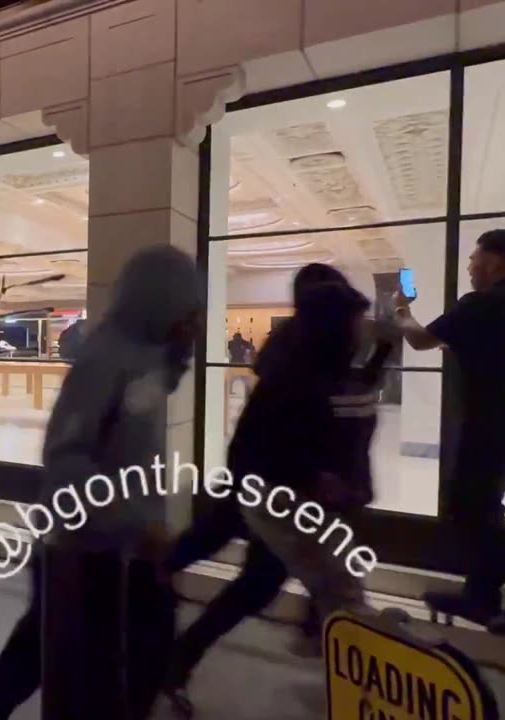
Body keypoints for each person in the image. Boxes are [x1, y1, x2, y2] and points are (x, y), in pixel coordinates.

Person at [0, 246, 200, 720]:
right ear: (161, 299)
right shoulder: (106, 357)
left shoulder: (146, 352)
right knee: (67, 647)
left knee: (56, 641)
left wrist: (179, 352)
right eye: (189, 305)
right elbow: (66, 455)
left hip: (118, 544)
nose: (195, 317)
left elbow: (147, 401)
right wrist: (133, 522)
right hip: (84, 544)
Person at [160, 281, 378, 718]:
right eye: (356, 319)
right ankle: (143, 617)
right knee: (223, 564)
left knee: (250, 583)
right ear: (335, 325)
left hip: (280, 502)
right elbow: (250, 450)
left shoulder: (330, 369)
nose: (363, 328)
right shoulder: (294, 378)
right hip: (269, 500)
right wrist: (312, 478)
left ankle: (171, 655)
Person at [394, 229, 505, 636]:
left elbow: (419, 340)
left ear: (494, 262)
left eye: (474, 260)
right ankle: (481, 596)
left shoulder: (481, 304)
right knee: (486, 507)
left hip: (487, 425)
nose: (470, 268)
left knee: (468, 509)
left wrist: (402, 309)